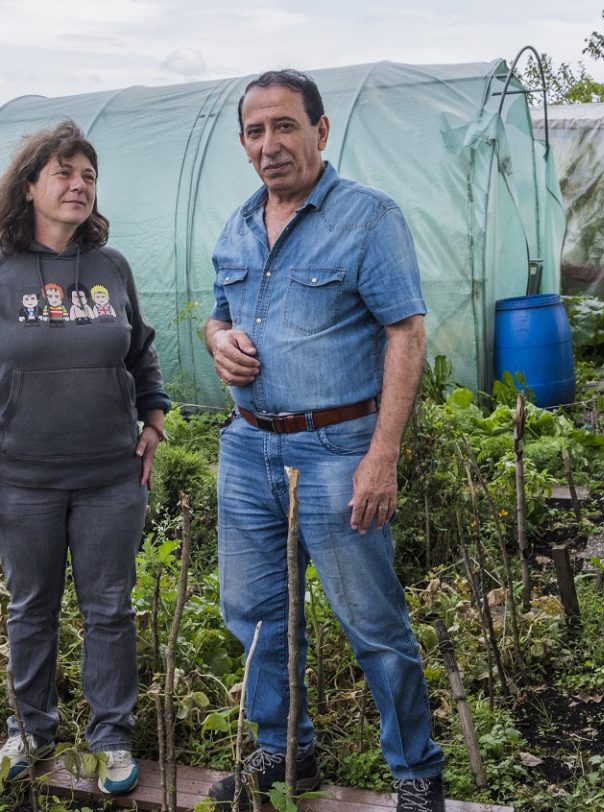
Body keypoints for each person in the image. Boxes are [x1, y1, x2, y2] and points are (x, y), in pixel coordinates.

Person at [202, 70, 446, 811]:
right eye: (255, 131)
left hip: (339, 451)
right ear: (243, 143)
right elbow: (217, 312)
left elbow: (406, 333)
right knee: (253, 618)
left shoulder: (369, 218)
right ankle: (283, 756)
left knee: (371, 621)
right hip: (249, 450)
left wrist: (383, 454)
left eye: (284, 126)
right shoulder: (238, 224)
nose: (269, 145)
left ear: (320, 130)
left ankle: (416, 773)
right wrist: (219, 340)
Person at [0, 121, 170, 797]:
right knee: (31, 608)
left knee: (109, 608)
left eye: (88, 175)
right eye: (64, 173)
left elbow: (141, 351)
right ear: (30, 186)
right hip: (21, 479)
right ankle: (32, 731)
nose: (78, 185)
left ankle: (109, 738)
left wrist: (152, 419)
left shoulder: (110, 268)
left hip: (108, 479)